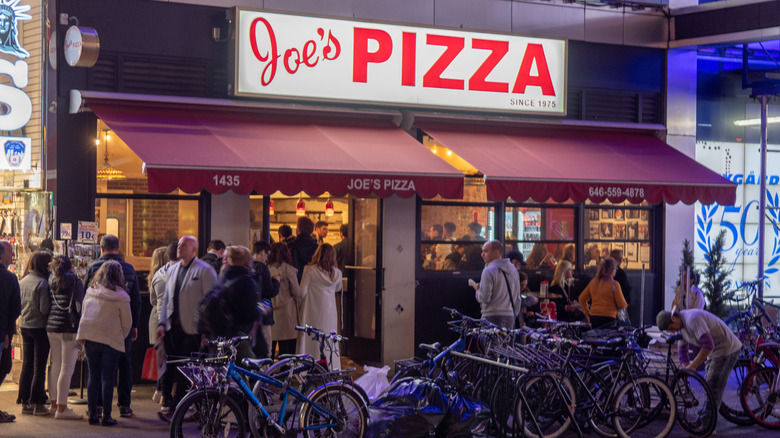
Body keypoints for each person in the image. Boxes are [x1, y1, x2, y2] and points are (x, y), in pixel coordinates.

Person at [157, 236, 217, 414]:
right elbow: (166, 298)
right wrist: (161, 323)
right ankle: (167, 398)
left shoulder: (205, 270)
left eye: (184, 245)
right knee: (170, 363)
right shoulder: (173, 269)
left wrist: (207, 328)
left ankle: (179, 404)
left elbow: (211, 301)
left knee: (186, 366)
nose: (179, 247)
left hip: (192, 327)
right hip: (171, 326)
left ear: (194, 249)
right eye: (179, 244)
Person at [83, 234, 140, 418]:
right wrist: (133, 326)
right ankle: (124, 404)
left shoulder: (94, 267)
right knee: (124, 365)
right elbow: (136, 301)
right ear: (118, 247)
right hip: (120, 326)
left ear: (101, 248)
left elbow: (84, 296)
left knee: (97, 371)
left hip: (96, 327)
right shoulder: (129, 269)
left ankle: (97, 406)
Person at [656, 308, 742, 426]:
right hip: (715, 351)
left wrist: (693, 366)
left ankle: (707, 424)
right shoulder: (680, 327)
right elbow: (682, 353)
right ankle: (706, 415)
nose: (672, 332)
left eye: (671, 328)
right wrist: (686, 368)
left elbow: (708, 345)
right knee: (709, 384)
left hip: (726, 348)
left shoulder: (692, 319)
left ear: (674, 318)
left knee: (713, 387)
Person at [77, 260, 132, 426]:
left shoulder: (90, 291)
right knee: (107, 377)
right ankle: (107, 415)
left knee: (93, 375)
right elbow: (127, 323)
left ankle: (92, 413)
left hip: (91, 337)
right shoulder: (122, 297)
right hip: (111, 339)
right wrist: (120, 336)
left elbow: (84, 313)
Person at [46, 255, 85, 420]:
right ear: (70, 266)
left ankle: (54, 403)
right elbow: (80, 306)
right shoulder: (75, 281)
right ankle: (62, 408)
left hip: (52, 326)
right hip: (69, 328)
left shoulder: (51, 280)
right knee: (67, 368)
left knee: (55, 364)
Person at [17, 250, 52, 416]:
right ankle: (38, 403)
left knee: (27, 365)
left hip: (25, 326)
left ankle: (25, 403)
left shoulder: (22, 281)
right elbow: (44, 309)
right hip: (40, 328)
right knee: (39, 367)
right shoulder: (43, 284)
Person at [297, 243, 343, 369]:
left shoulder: (309, 270)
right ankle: (331, 366)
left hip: (312, 311)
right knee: (329, 339)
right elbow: (338, 288)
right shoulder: (337, 273)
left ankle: (309, 367)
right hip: (330, 312)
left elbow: (302, 292)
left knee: (312, 338)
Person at [215, 246, 261, 363]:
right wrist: (260, 310)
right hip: (237, 334)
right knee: (251, 367)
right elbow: (249, 313)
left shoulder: (223, 276)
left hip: (220, 333)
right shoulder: (246, 280)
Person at [470, 240, 523, 329]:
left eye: (485, 251)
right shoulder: (513, 270)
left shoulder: (488, 271)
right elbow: (518, 297)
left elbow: (485, 298)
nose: (482, 254)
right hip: (509, 318)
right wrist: (512, 314)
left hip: (490, 316)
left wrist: (477, 290)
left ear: (496, 252)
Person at [267, 243, 302, 358]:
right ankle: (285, 368)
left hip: (270, 311)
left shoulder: (266, 269)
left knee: (270, 347)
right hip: (287, 313)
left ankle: (270, 368)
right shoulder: (289, 270)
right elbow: (297, 292)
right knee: (287, 349)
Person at [147, 246, 169, 405]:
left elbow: (152, 301)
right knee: (165, 358)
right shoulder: (166, 276)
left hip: (154, 317)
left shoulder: (153, 276)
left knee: (160, 357)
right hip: (162, 318)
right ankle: (160, 391)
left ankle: (159, 390)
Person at [578, 257, 628, 329]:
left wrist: (587, 313)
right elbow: (622, 305)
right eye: (615, 269)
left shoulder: (593, 282)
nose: (616, 271)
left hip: (594, 317)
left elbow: (581, 298)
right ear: (611, 270)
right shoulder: (614, 284)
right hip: (609, 318)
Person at [0, 241, 19, 423]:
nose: (13, 255)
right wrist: (7, 332)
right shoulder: (9, 279)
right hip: (2, 333)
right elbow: (15, 309)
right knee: (3, 367)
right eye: (10, 252)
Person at [251, 241, 280, 358]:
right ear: (262, 252)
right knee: (266, 349)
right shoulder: (262, 267)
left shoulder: (247, 266)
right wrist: (276, 281)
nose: (267, 258)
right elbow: (269, 291)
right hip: (263, 314)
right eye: (268, 255)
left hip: (250, 316)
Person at [291, 216, 318, 282]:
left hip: (294, 279)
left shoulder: (292, 245)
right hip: (311, 279)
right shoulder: (316, 247)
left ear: (299, 228)